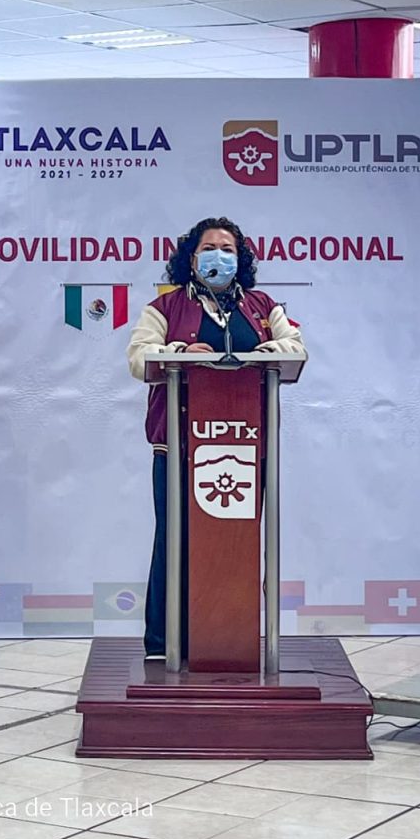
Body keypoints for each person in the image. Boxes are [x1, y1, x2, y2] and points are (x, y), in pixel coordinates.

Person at [126, 217, 305, 660]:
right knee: (174, 537)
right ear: (191, 258)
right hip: (179, 446)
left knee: (237, 543)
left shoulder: (262, 306)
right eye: (209, 247)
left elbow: (295, 346)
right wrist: (180, 352)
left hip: (245, 444)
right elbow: (139, 357)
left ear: (240, 259)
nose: (218, 255)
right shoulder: (164, 308)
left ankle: (230, 639)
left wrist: (266, 351)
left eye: (228, 248)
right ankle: (164, 642)